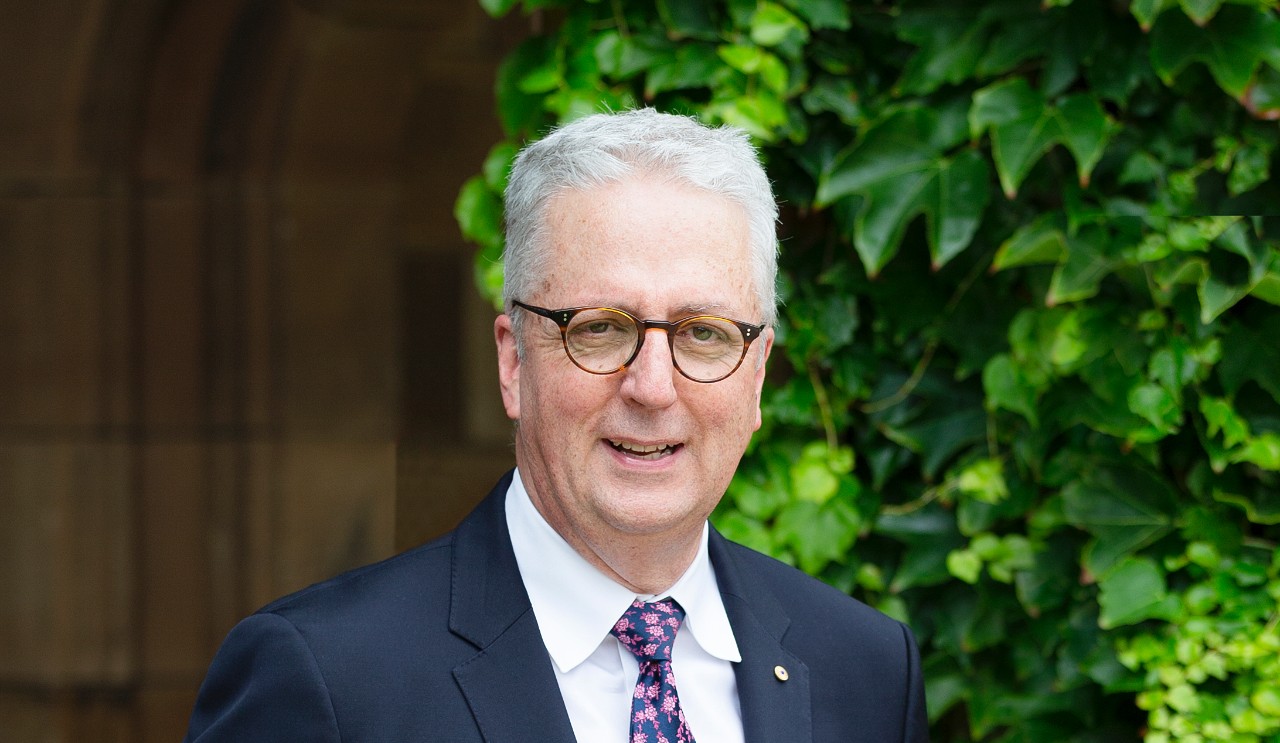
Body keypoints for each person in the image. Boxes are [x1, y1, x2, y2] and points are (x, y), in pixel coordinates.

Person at [183, 108, 928, 742]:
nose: (653, 387)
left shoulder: (865, 671)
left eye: (704, 333)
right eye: (600, 328)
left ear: (758, 372)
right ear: (513, 361)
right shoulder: (327, 681)